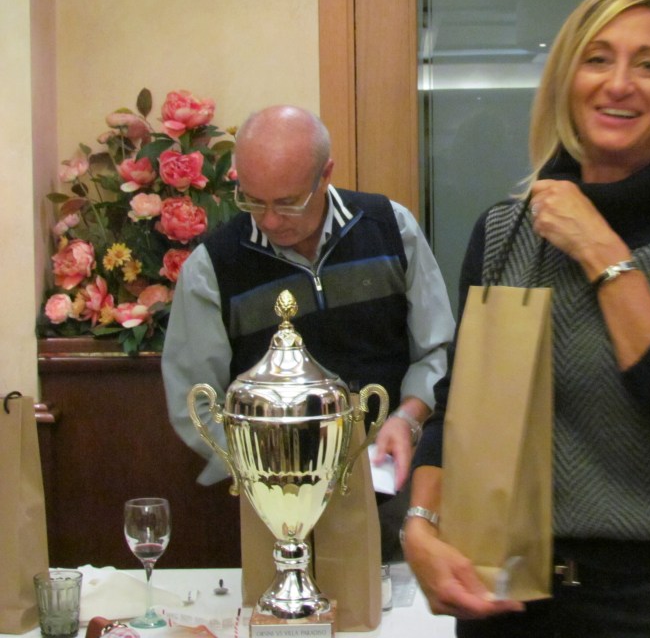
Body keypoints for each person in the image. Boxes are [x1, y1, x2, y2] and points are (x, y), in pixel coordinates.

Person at [402, 0, 650, 637]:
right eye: (597, 59)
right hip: (500, 594)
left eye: (649, 66)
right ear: (568, 82)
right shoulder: (504, 232)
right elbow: (455, 408)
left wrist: (600, 250)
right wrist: (421, 526)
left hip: (647, 607)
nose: (618, 84)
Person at [162, 105, 455, 563]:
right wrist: (270, 475)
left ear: (326, 174)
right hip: (276, 506)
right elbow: (195, 401)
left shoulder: (391, 229)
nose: (269, 221)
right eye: (252, 201)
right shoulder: (211, 268)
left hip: (395, 484)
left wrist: (409, 418)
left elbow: (437, 351)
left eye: (287, 203)